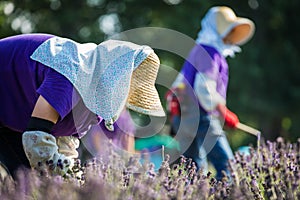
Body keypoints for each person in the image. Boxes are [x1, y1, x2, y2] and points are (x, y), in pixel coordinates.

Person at [0, 33, 165, 178]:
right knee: (33, 181)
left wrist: (73, 179)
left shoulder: (96, 109)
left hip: (12, 113)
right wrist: (66, 177)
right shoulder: (69, 74)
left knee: (30, 183)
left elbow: (65, 145)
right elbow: (36, 136)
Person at [166, 6, 255, 180]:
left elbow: (178, 84)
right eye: (230, 30)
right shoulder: (211, 53)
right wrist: (222, 111)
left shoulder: (197, 50)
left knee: (192, 170)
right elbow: (203, 88)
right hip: (202, 117)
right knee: (226, 166)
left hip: (183, 117)